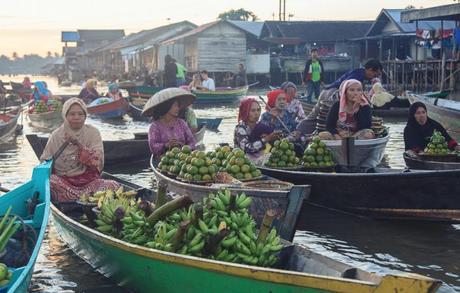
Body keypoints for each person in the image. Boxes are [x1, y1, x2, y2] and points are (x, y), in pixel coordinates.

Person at [40, 98, 119, 202]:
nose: (76, 117)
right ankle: (84, 199)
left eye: (80, 114)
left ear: (85, 116)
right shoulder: (56, 135)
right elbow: (45, 161)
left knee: (113, 185)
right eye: (72, 114)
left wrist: (78, 144)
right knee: (51, 183)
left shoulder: (93, 132)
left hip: (89, 183)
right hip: (63, 183)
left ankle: (80, 199)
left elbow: (96, 160)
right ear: (65, 116)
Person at [299, 59, 382, 135]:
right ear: (370, 69)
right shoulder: (358, 76)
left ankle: (300, 130)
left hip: (327, 92)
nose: (375, 76)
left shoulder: (359, 73)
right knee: (322, 117)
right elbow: (345, 87)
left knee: (314, 117)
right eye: (376, 74)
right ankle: (300, 131)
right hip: (331, 93)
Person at [142, 88, 196, 160]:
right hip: (164, 160)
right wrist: (166, 145)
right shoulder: (155, 126)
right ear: (166, 107)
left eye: (178, 106)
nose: (178, 108)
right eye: (175, 106)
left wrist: (182, 147)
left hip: (183, 159)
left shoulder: (181, 123)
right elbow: (153, 147)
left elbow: (192, 142)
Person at [234, 97, 281, 163]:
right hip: (242, 161)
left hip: (259, 158)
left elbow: (271, 132)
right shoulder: (240, 128)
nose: (256, 113)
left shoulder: (260, 125)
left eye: (258, 110)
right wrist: (266, 139)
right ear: (245, 112)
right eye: (253, 111)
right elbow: (247, 148)